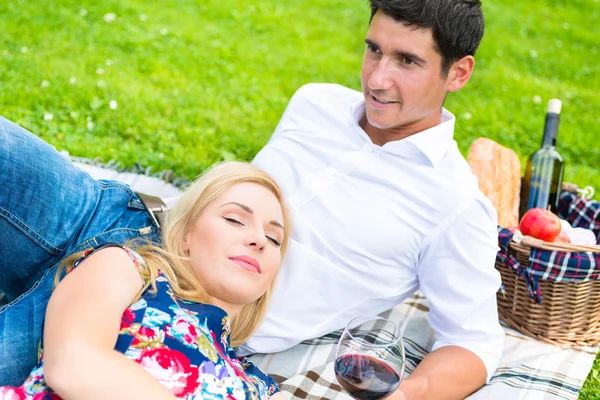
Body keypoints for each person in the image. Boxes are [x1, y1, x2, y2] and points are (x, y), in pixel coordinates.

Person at [0, 0, 505, 398]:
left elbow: (474, 343)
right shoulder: (315, 103)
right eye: (374, 49)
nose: (377, 78)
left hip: (161, 314)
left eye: (407, 61)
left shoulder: (455, 207)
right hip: (119, 220)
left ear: (458, 73)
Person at [0, 160, 290, 399]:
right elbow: (73, 364)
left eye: (274, 238)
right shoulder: (131, 270)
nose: (258, 240)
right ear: (186, 233)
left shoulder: (259, 387)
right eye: (235, 220)